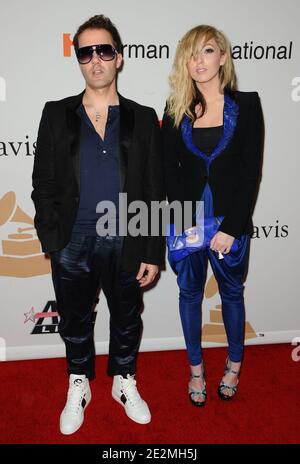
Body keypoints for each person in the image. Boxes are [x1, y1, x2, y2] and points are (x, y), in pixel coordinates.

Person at [31, 15, 164, 434]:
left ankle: (123, 379)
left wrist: (151, 250)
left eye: (103, 50)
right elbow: (43, 183)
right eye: (85, 52)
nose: (95, 59)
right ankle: (78, 381)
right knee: (74, 319)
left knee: (127, 317)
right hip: (73, 241)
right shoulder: (56, 114)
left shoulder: (143, 118)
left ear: (119, 58)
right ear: (79, 59)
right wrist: (53, 238)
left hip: (127, 240)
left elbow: (154, 188)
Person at [162, 25, 263, 406]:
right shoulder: (174, 110)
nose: (198, 61)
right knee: (189, 294)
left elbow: (251, 169)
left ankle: (234, 365)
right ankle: (196, 371)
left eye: (206, 51)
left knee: (232, 294)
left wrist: (233, 228)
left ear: (222, 56)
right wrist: (182, 219)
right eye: (191, 54)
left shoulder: (248, 105)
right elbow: (169, 172)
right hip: (186, 223)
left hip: (228, 225)